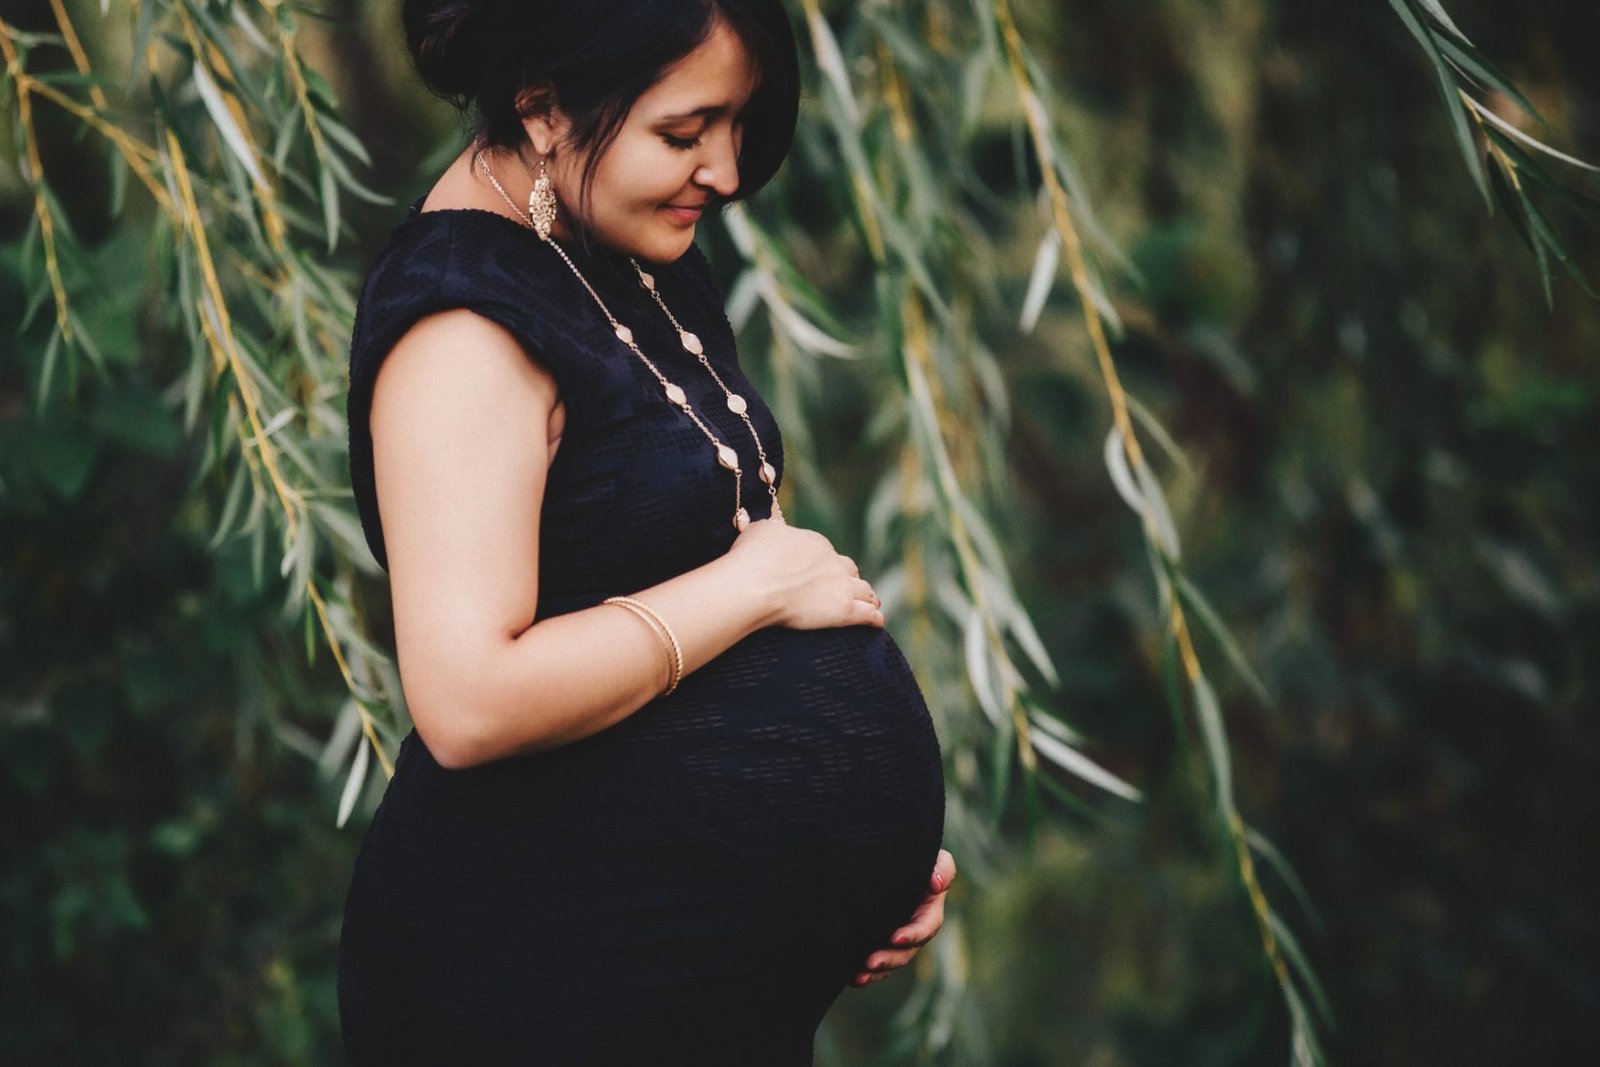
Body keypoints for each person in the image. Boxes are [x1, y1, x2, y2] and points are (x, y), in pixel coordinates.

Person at [336, 1, 954, 1061]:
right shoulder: (463, 328)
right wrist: (755, 590)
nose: (722, 169)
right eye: (684, 132)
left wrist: (844, 876)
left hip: (686, 974)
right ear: (543, 109)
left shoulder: (616, 243)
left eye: (738, 124)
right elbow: (467, 699)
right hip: (541, 982)